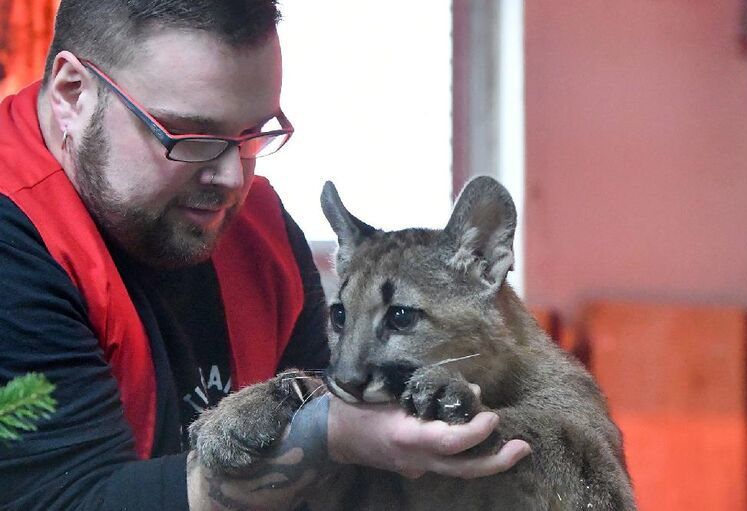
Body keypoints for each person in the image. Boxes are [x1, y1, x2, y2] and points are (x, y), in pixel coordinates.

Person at [0, 1, 532, 509]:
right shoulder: (16, 238)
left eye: (253, 133)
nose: (234, 178)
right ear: (73, 94)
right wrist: (325, 438)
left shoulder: (259, 223)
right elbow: (62, 498)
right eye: (191, 135)